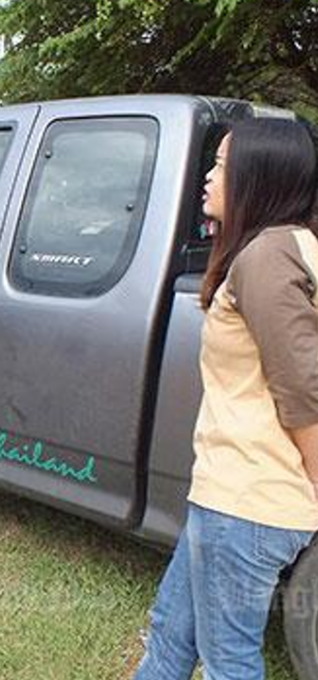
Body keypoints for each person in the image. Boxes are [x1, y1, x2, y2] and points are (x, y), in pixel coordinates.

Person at [133, 118, 318, 680]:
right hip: (229, 495)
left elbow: (304, 390)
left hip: (248, 504)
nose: (208, 178)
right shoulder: (292, 245)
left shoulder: (266, 256)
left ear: (257, 176)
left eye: (220, 165)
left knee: (227, 662)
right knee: (171, 632)